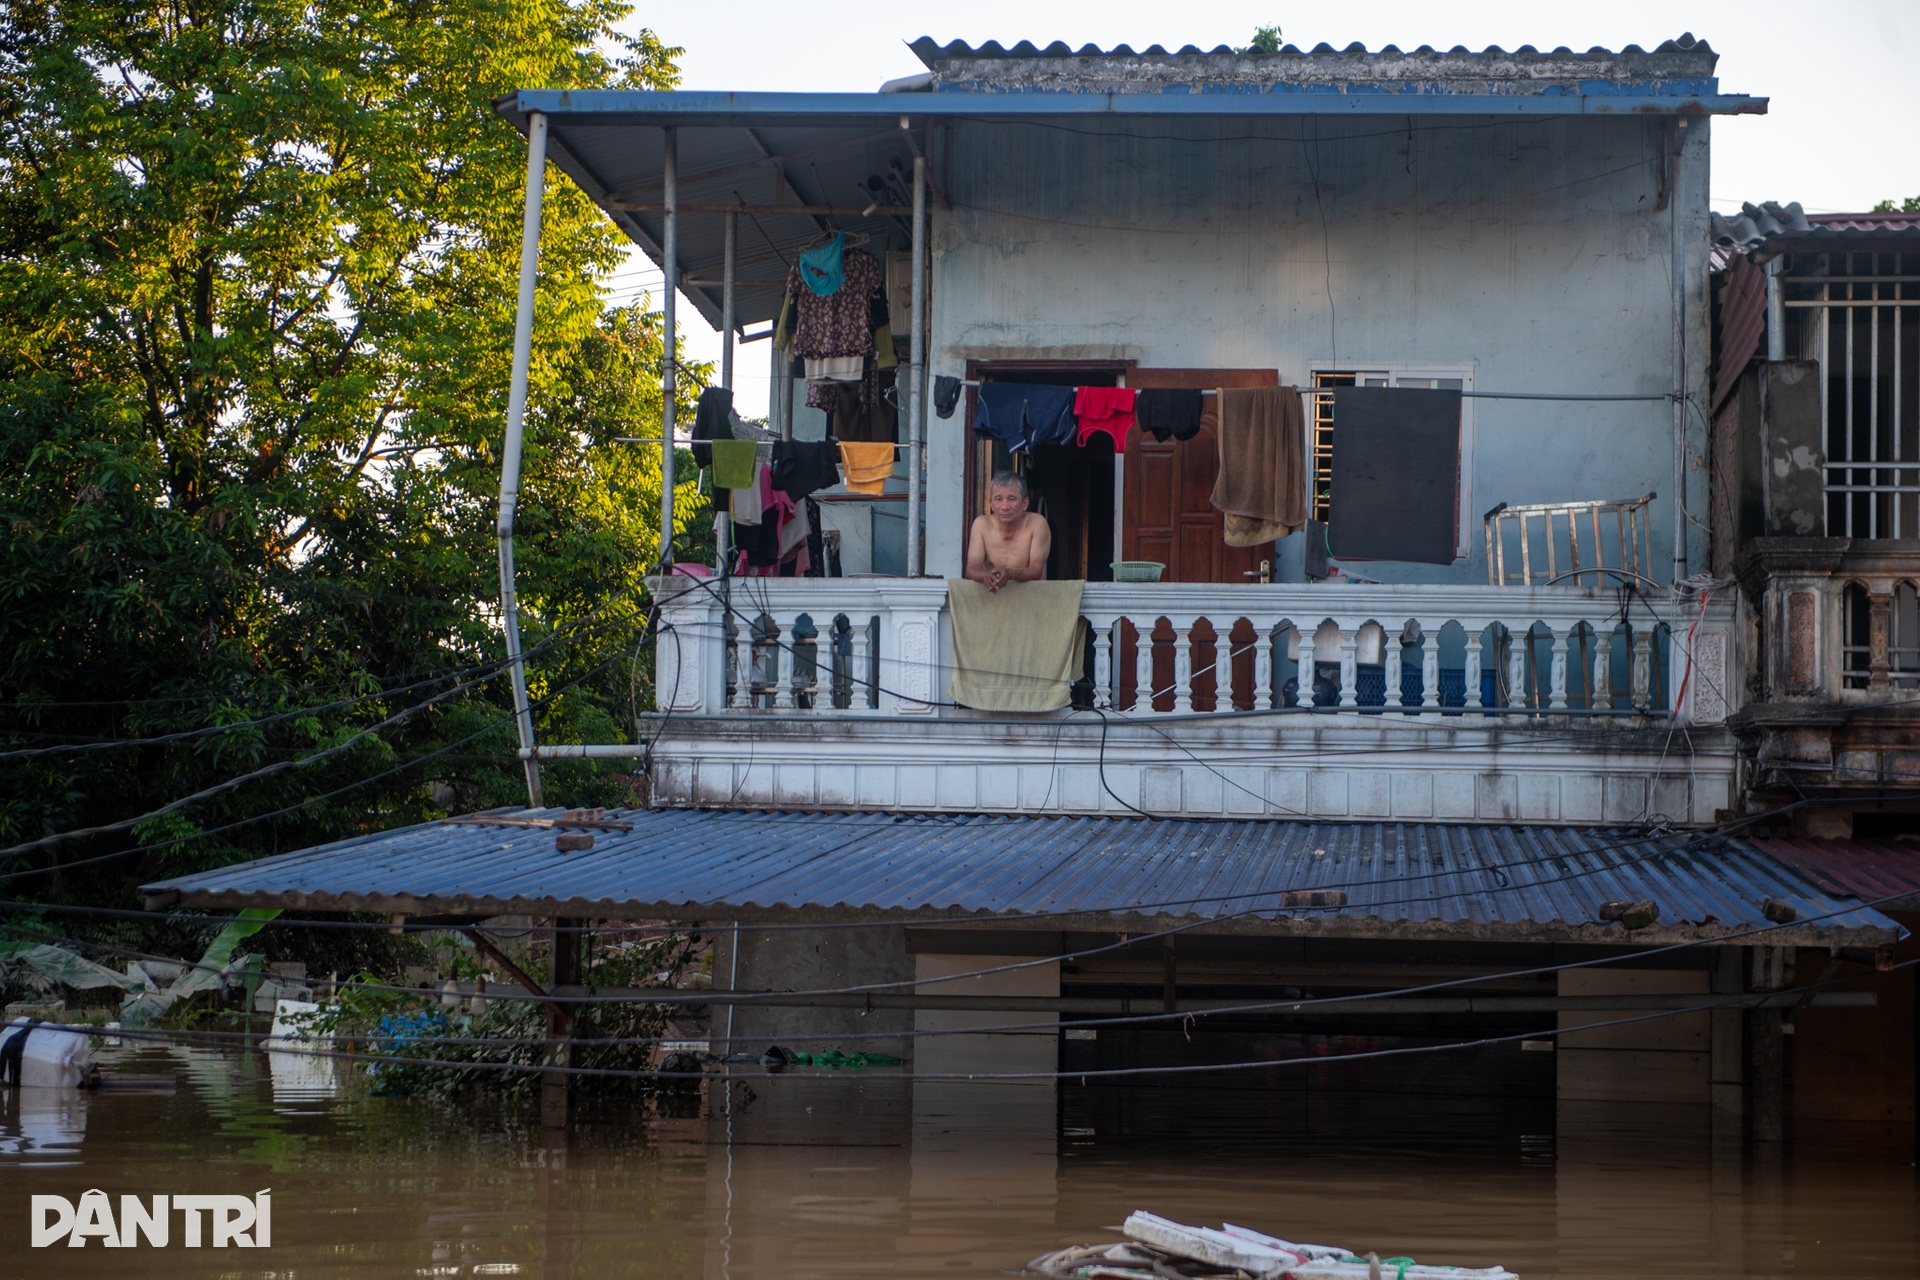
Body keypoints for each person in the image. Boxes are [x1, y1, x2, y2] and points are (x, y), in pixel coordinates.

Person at [965, 470, 1051, 593]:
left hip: (1030, 599)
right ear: (991, 504)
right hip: (992, 599)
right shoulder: (982, 524)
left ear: (1025, 503)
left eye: (1011, 499)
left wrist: (1009, 573)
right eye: (998, 499)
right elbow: (972, 569)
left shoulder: (1037, 524)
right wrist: (986, 576)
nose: (1005, 506)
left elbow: (1036, 570)